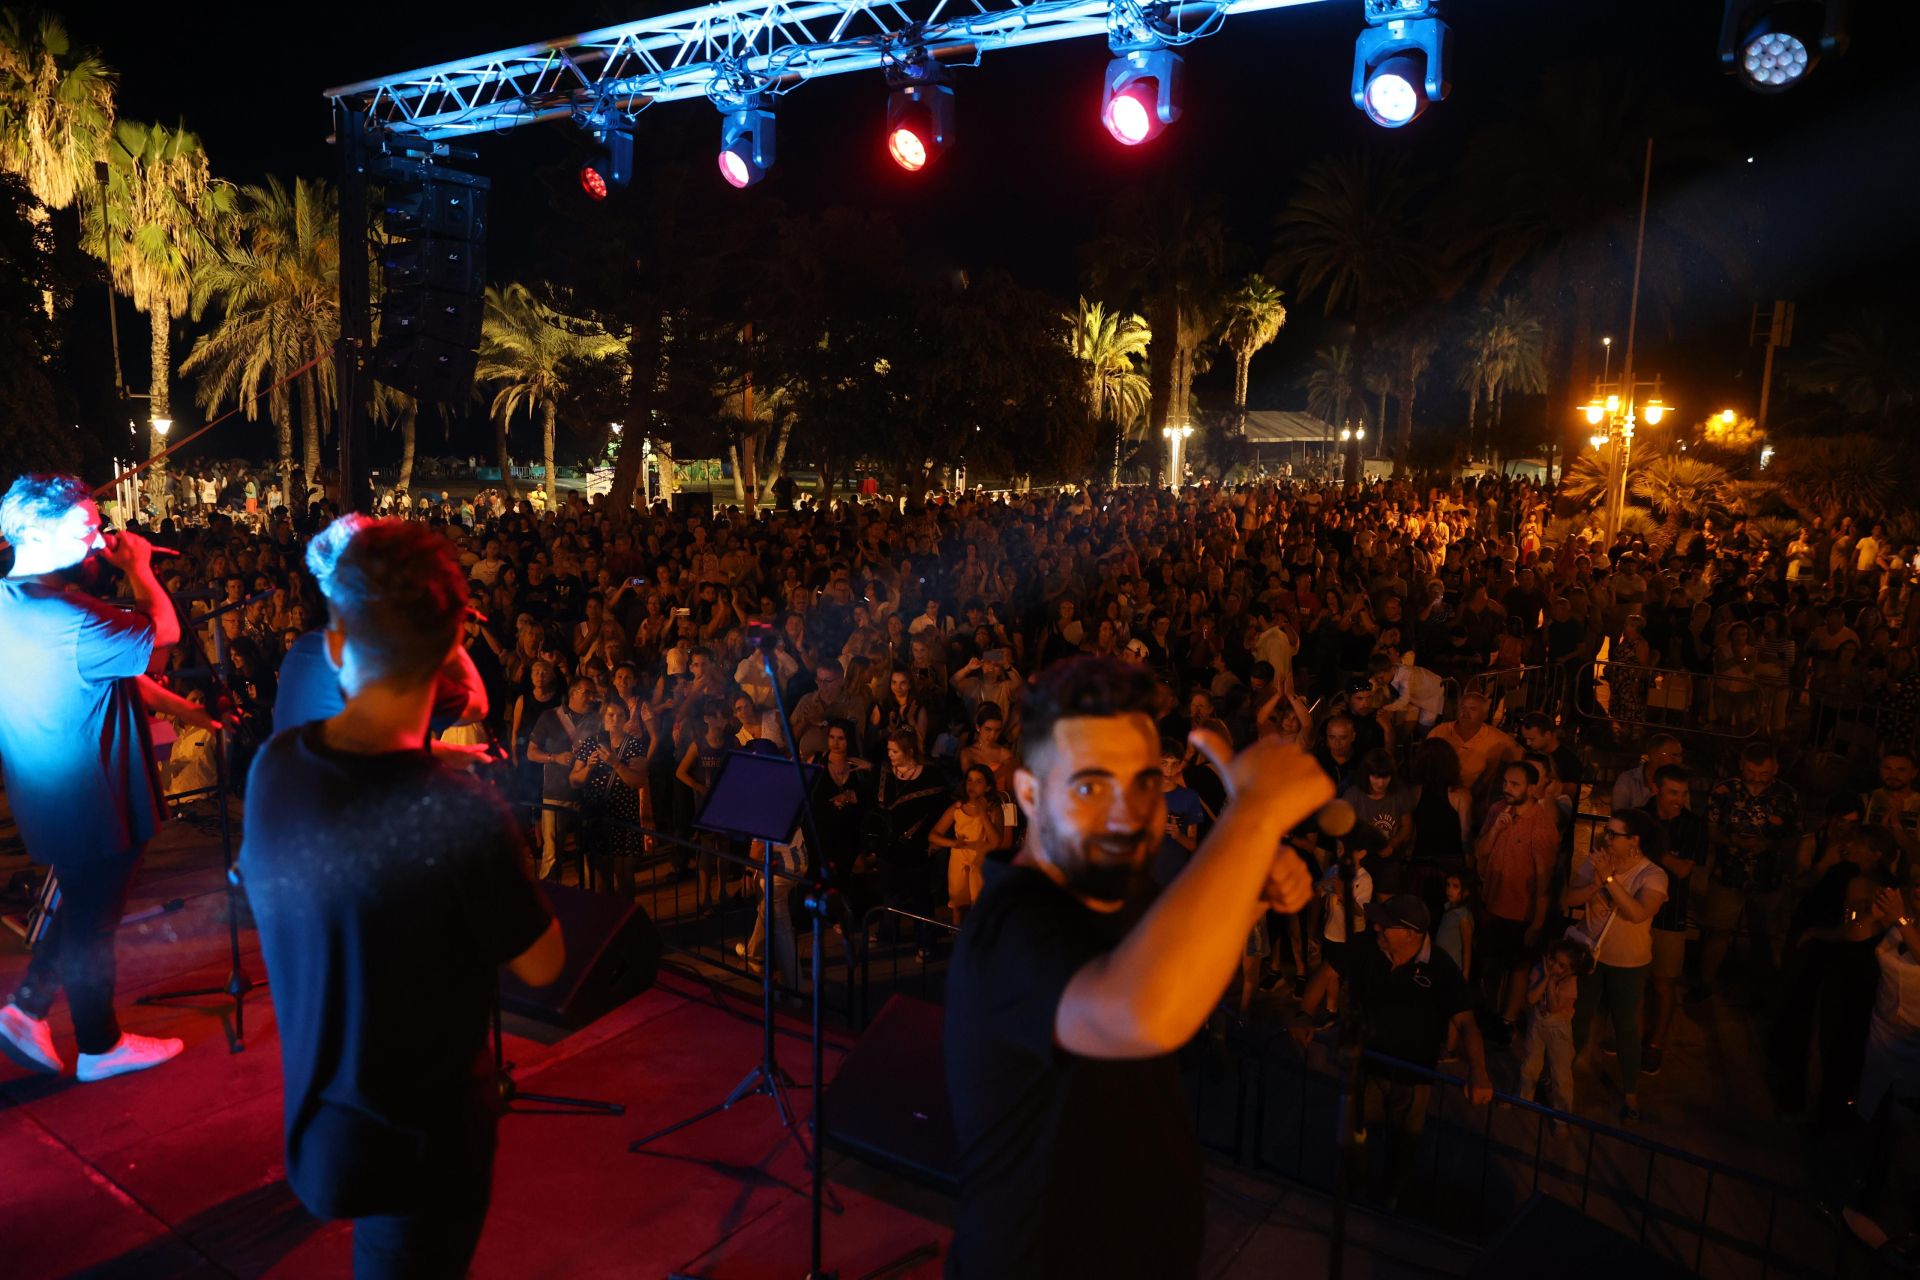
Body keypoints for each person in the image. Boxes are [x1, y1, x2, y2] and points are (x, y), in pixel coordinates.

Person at [239, 519, 564, 1278]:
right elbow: (544, 963)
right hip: (424, 1143)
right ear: (453, 657)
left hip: (322, 1127)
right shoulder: (459, 812)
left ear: (338, 645)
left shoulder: (276, 765)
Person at [944, 656, 1326, 1278]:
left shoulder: (1122, 887)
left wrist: (1252, 886)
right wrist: (1253, 815)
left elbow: (1178, 967)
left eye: (1144, 782)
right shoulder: (1010, 928)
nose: (1127, 813)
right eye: (1091, 786)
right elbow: (1142, 1012)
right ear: (1029, 793)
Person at [0, 475, 186, 1081]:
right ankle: (100, 1046)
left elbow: (108, 670)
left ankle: (27, 1010)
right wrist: (141, 568)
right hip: (95, 794)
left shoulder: (14, 598)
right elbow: (165, 635)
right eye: (84, 523)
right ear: (38, 531)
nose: (98, 532)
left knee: (80, 908)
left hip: (47, 789)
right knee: (94, 924)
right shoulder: (69, 615)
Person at [1296, 895, 1493, 1209]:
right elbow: (1327, 972)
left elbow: (1467, 1022)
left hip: (1413, 1077)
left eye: (1385, 925)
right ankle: (1352, 1188)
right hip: (1366, 1065)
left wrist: (1479, 1072)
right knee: (1355, 1131)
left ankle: (1392, 1196)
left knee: (1404, 1143)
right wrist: (1304, 1015)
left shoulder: (1440, 967)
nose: (1376, 927)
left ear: (1411, 934)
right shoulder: (1367, 945)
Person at [1563, 808, 1670, 1122]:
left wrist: (1609, 880)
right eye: (1606, 832)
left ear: (1634, 840)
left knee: (1625, 1026)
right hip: (1590, 955)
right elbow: (1569, 899)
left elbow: (1638, 913)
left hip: (1628, 961)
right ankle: (1560, 1077)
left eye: (1613, 834)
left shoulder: (1653, 875)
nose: (1605, 838)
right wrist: (1594, 885)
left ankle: (1631, 1094)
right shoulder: (1596, 861)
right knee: (1578, 1016)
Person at [1473, 760, 1561, 1042]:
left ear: (1532, 789)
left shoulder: (1542, 828)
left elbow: (1544, 882)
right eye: (1506, 783)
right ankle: (1489, 1011)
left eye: (1514, 784)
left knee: (1518, 969)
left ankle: (1507, 1021)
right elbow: (1480, 851)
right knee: (1490, 964)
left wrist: (1536, 923)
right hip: (1491, 904)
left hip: (1519, 912)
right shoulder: (1498, 811)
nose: (1507, 789)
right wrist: (1496, 830)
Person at [1640, 764, 1703, 1076]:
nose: (1679, 799)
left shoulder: (1693, 826)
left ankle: (1656, 1043)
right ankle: (1632, 1033)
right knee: (1635, 979)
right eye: (1673, 793)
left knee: (1663, 983)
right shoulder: (1640, 816)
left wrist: (1652, 851)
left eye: (1683, 793)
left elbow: (1683, 870)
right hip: (1636, 912)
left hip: (1670, 915)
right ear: (1657, 789)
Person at [1516, 937, 1591, 1128]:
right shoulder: (1539, 971)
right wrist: (1547, 977)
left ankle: (1561, 1119)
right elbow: (1532, 998)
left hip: (1559, 1030)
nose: (1554, 967)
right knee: (1530, 1063)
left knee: (1561, 1074)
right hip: (1537, 1023)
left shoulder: (1570, 985)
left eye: (1561, 965)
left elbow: (1553, 1007)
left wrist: (1549, 981)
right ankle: (1525, 1100)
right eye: (1553, 960)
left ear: (1571, 970)